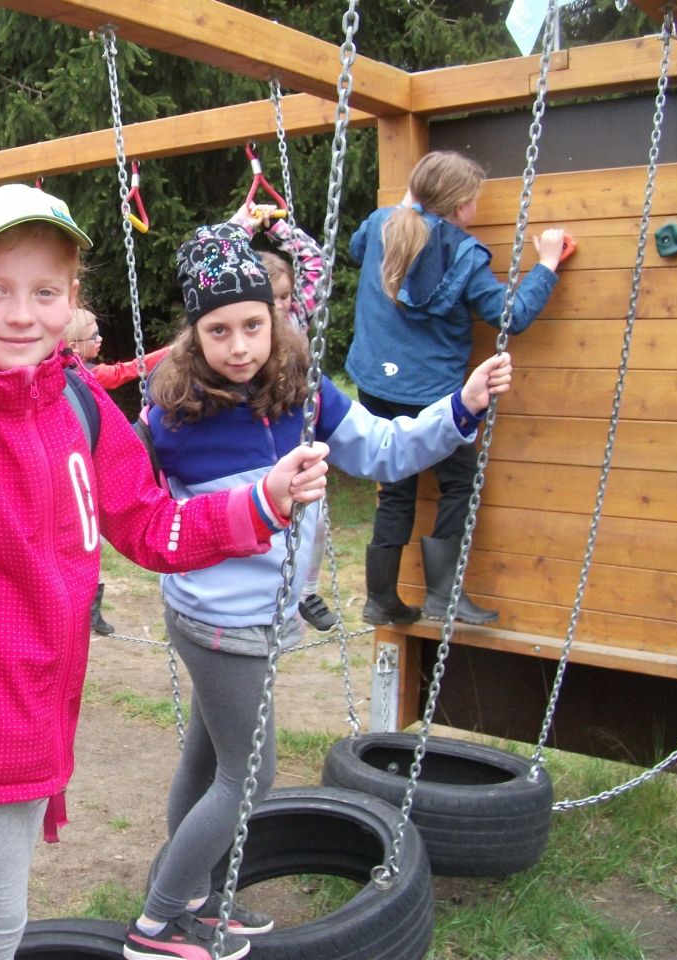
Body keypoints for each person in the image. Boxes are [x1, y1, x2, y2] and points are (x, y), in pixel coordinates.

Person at [0, 183, 329, 960]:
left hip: (41, 706)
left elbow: (152, 525)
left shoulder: (77, 402)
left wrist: (261, 500)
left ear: (71, 297)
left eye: (44, 292)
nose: (22, 315)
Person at [129, 221, 515, 960]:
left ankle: (196, 898)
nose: (239, 346)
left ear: (275, 318)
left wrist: (461, 405)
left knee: (208, 762)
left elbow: (386, 450)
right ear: (193, 337)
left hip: (252, 615)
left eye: (252, 325)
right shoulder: (174, 416)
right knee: (249, 776)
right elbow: (134, 504)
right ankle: (159, 921)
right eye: (218, 331)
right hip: (220, 619)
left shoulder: (302, 395)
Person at [346, 150, 567, 625]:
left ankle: (380, 598)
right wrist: (547, 265)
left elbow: (357, 249)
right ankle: (443, 596)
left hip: (375, 381)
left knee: (396, 488)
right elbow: (512, 316)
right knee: (460, 483)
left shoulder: (383, 224)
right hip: (432, 393)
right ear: (462, 205)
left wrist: (408, 203)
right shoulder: (464, 254)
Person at [238, 202, 340, 633]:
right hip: (254, 431)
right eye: (273, 298)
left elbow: (316, 264)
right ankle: (262, 592)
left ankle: (307, 593)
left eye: (285, 296)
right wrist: (243, 229)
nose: (281, 305)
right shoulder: (245, 330)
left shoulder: (296, 316)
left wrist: (277, 228)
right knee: (264, 514)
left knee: (315, 520)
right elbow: (216, 264)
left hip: (294, 423)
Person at [62, 307, 169, 637]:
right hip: (77, 470)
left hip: (78, 466)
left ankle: (89, 606)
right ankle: (87, 607)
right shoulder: (82, 374)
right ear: (74, 346)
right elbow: (126, 371)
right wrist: (170, 352)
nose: (100, 339)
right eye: (93, 336)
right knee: (85, 537)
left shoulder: (77, 372)